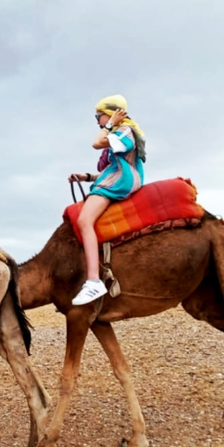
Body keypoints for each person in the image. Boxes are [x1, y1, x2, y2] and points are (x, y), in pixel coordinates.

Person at [69, 94, 146, 306]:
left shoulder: (125, 131)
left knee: (84, 221)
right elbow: (113, 167)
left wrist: (110, 125)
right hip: (117, 178)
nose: (98, 121)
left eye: (99, 116)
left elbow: (96, 143)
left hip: (119, 181)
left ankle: (93, 281)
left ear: (111, 114)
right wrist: (86, 177)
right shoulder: (124, 133)